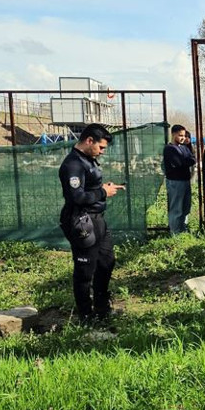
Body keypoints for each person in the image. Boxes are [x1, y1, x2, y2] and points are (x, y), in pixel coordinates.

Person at [58, 123, 125, 323]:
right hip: (82, 221)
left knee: (106, 262)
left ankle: (102, 307)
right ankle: (86, 315)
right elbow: (76, 197)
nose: (102, 151)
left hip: (97, 219)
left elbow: (88, 187)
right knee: (85, 270)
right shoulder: (73, 164)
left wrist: (103, 188)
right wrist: (103, 192)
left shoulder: (88, 160)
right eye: (100, 147)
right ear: (89, 141)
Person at [162, 124, 196, 235]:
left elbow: (192, 159)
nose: (183, 138)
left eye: (184, 136)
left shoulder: (184, 148)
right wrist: (186, 161)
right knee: (176, 208)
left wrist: (186, 161)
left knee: (185, 207)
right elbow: (179, 163)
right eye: (180, 135)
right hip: (175, 181)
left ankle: (183, 229)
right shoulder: (169, 149)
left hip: (185, 180)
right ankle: (175, 232)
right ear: (173, 134)